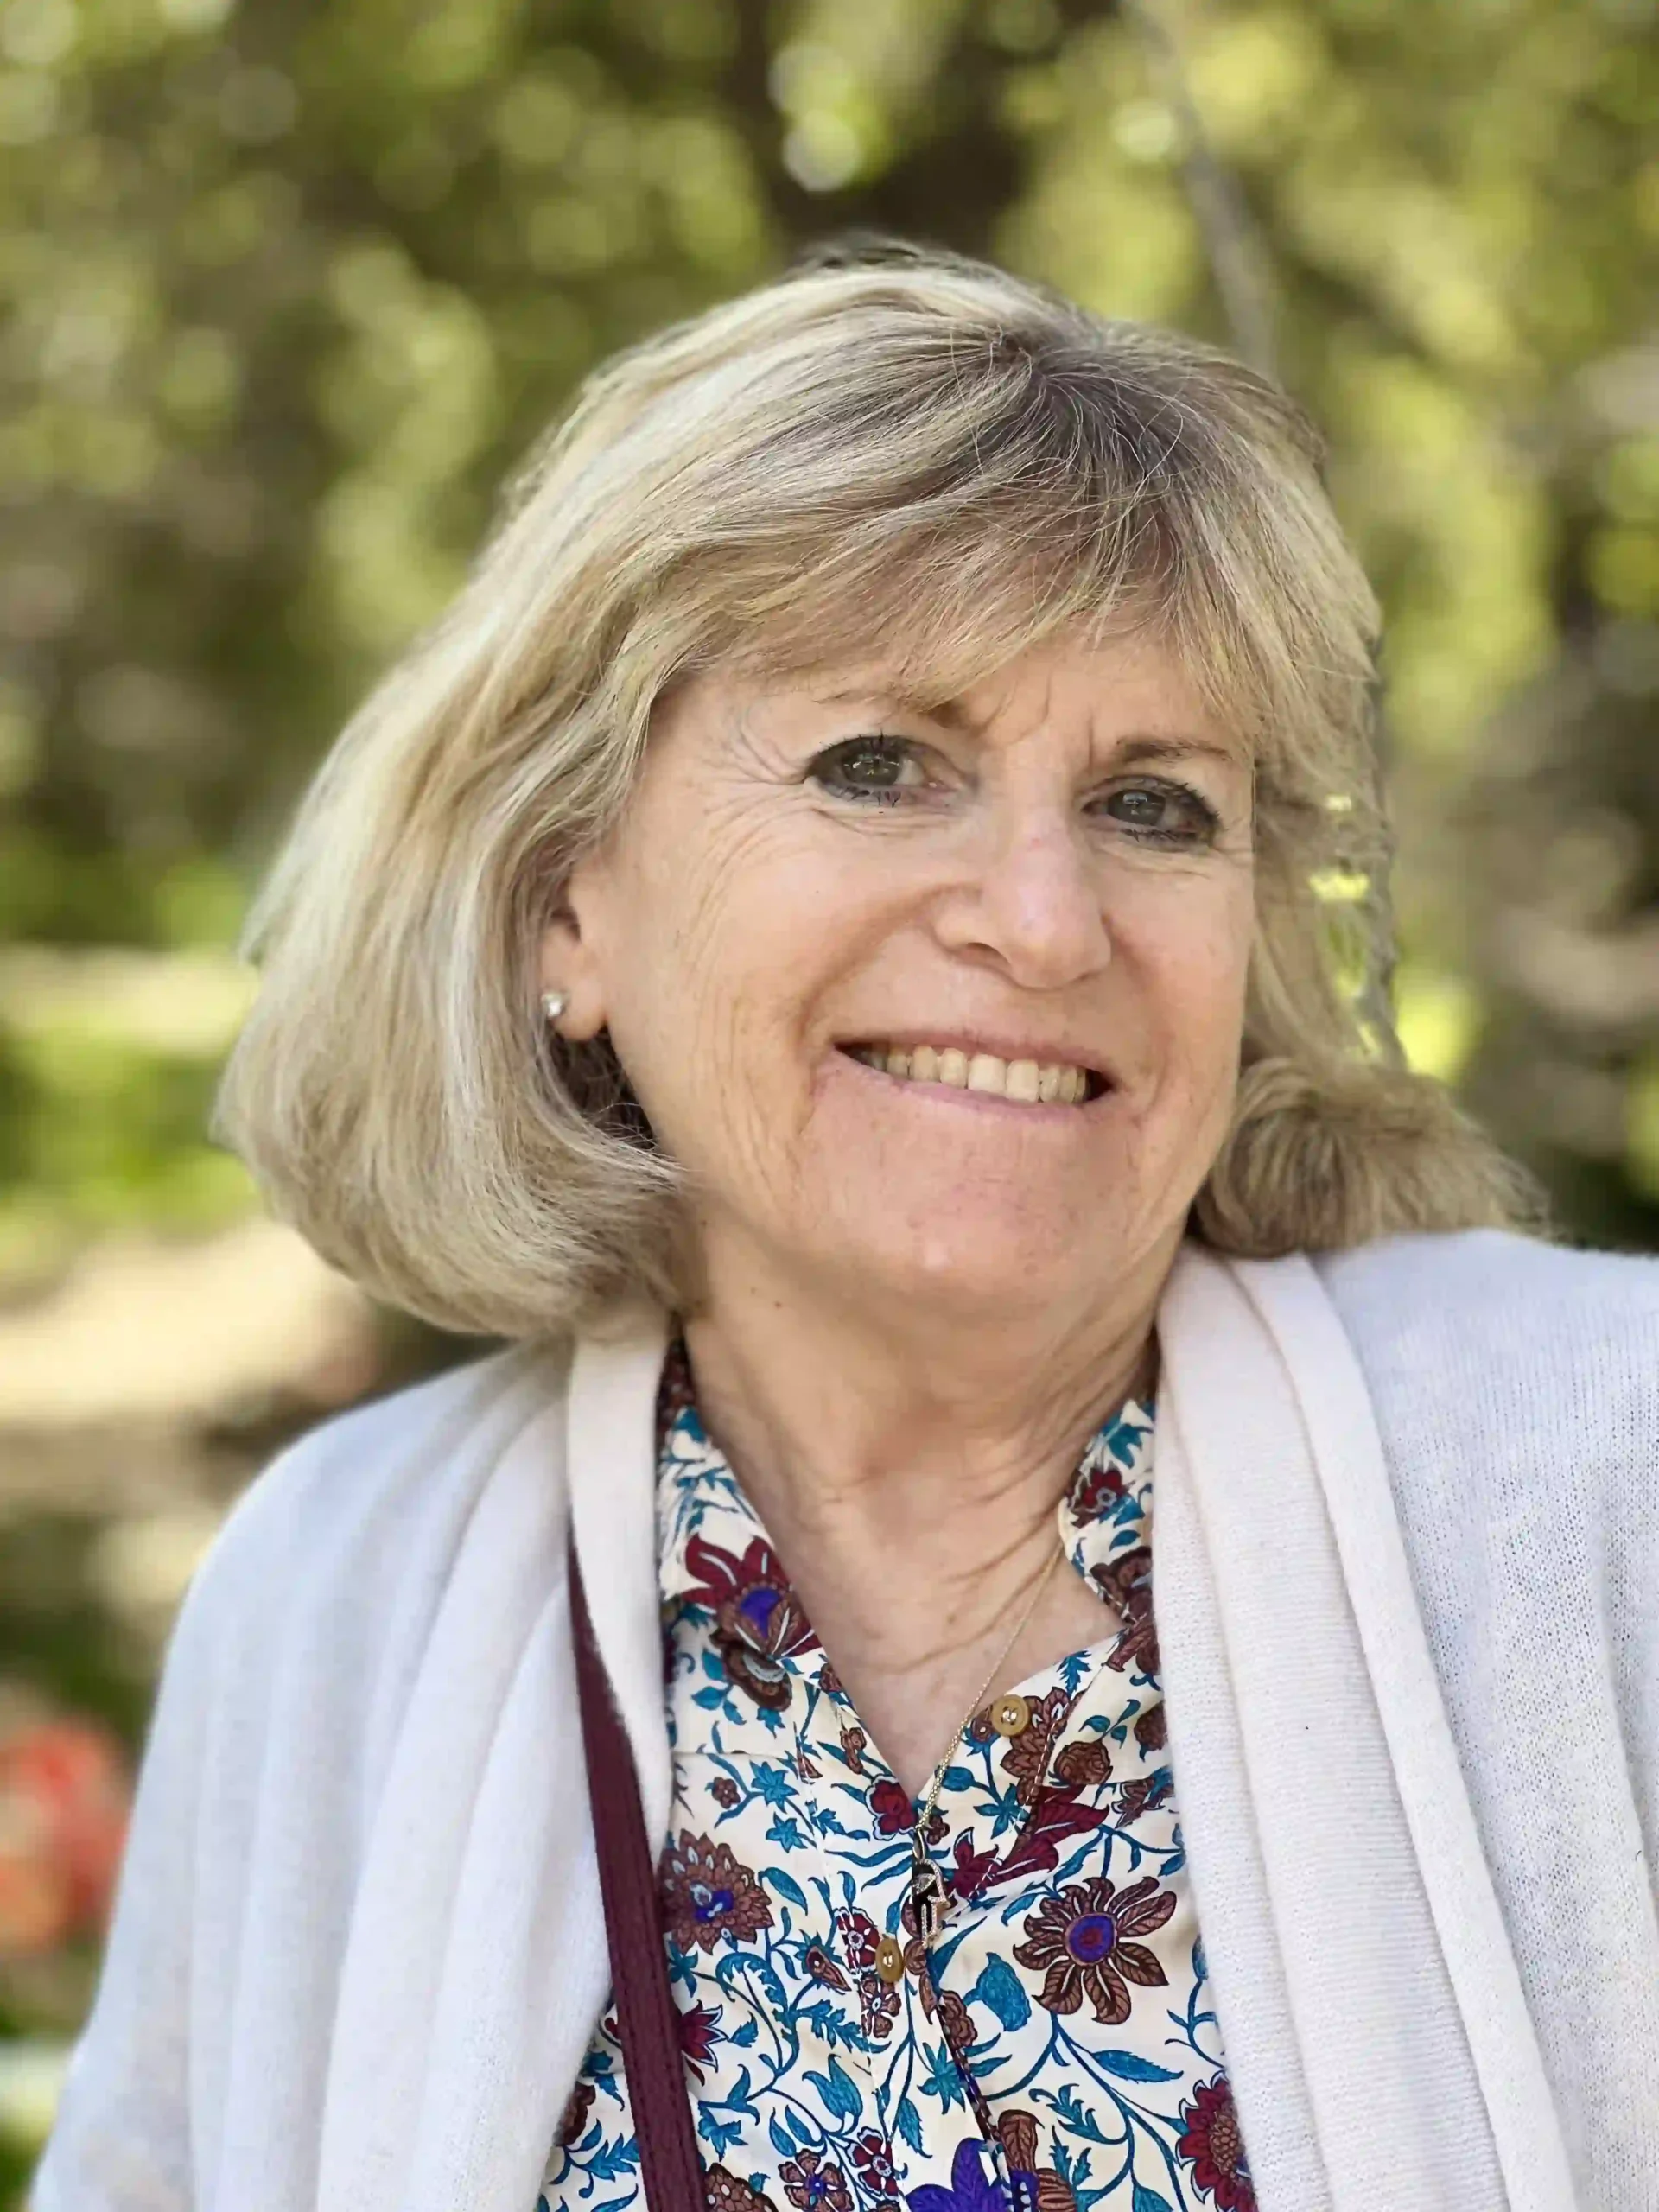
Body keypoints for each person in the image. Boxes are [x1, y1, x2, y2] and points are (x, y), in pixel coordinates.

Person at [33, 244, 1659, 2212]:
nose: (1046, 922)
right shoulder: (335, 1593)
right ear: (571, 907)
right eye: (882, 765)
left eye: (1154, 805)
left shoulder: (1597, 1482)